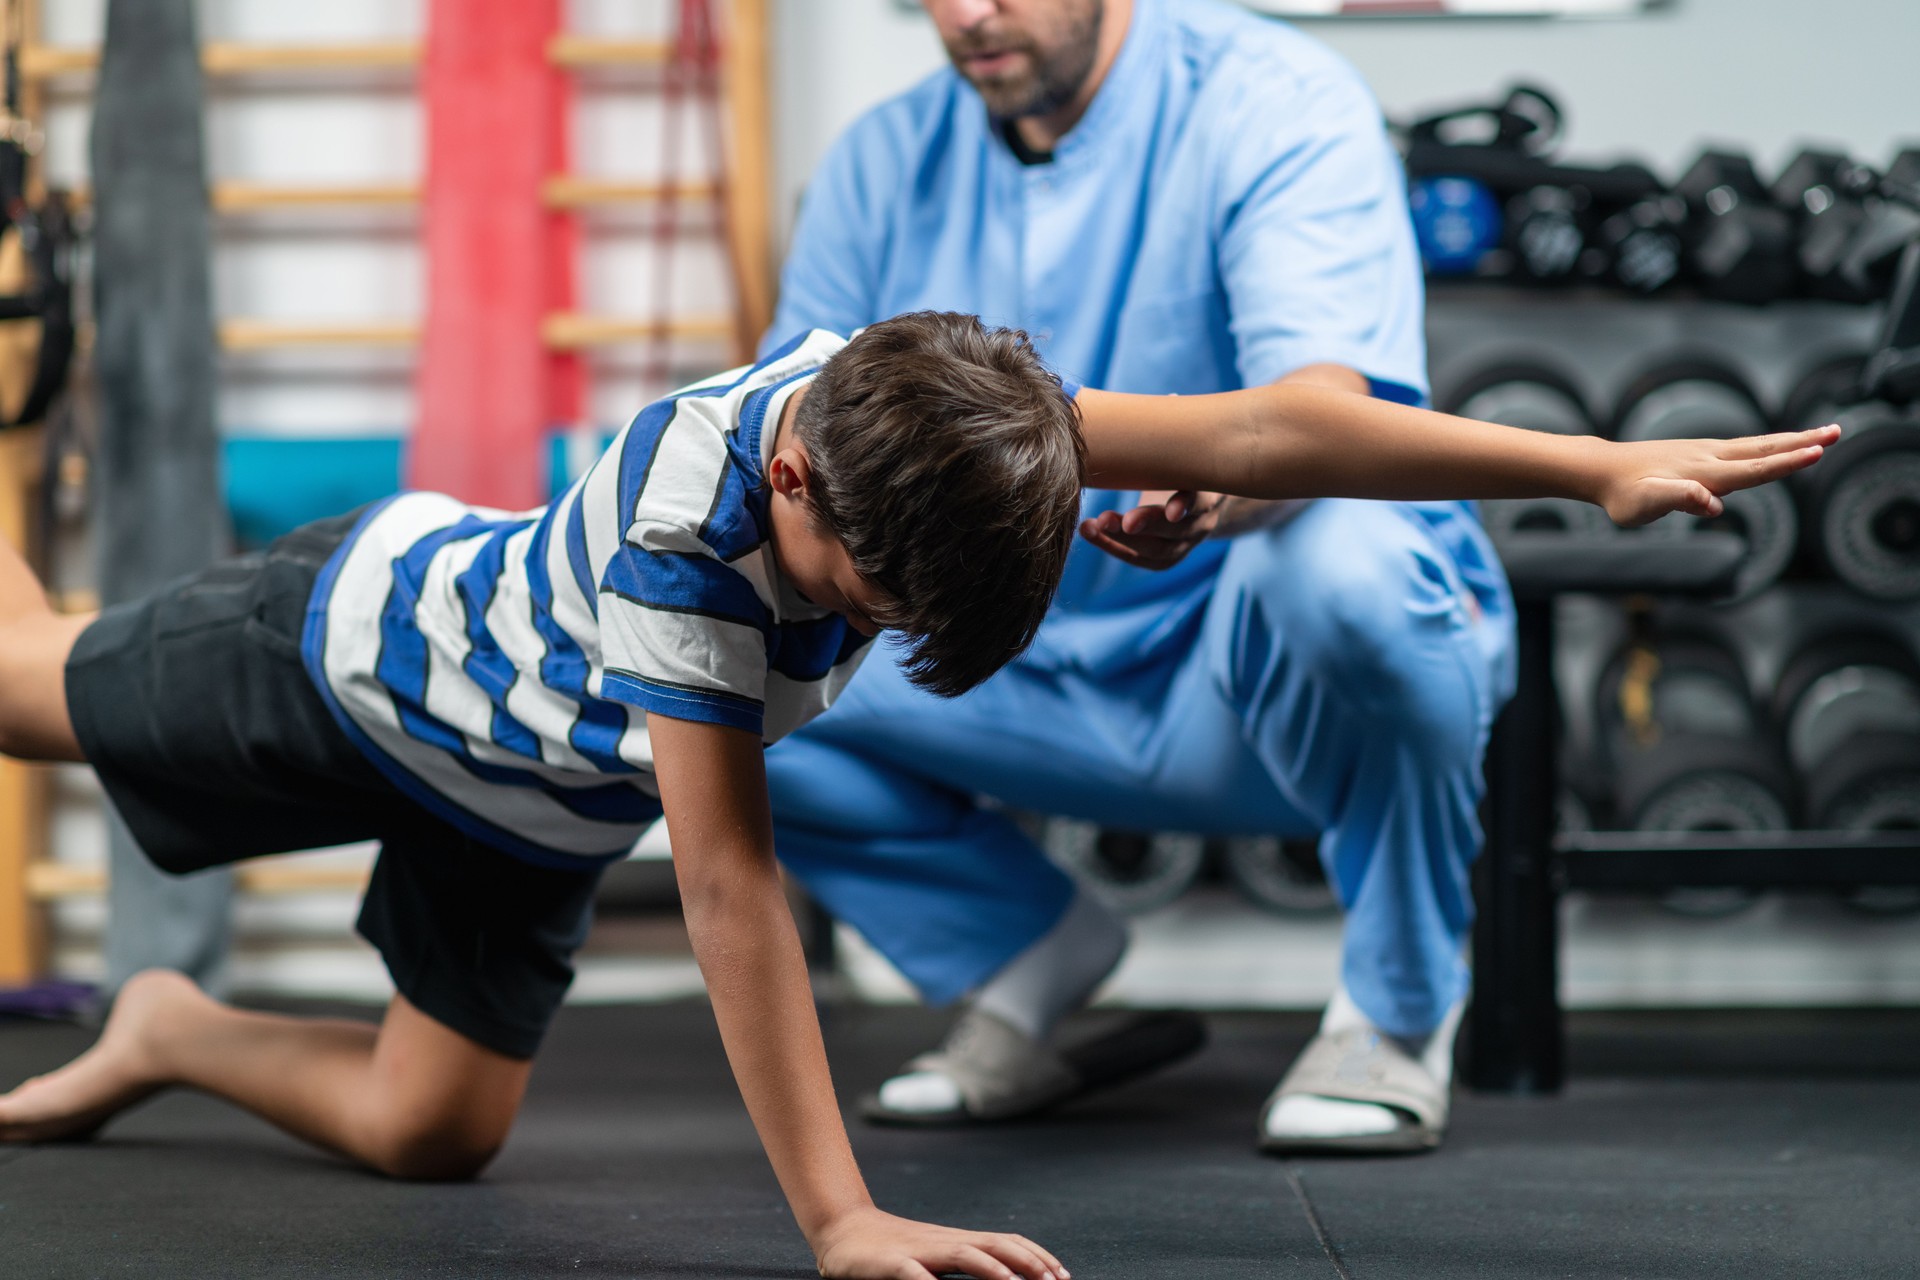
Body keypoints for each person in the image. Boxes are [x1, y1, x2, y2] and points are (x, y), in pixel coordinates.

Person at [0, 306, 1831, 1279]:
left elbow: (1269, 428)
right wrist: (842, 1221)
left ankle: (162, 1023)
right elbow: (729, 897)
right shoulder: (686, 554)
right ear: (793, 481)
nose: (865, 630)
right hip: (349, 654)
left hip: (527, 799)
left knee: (429, 1134)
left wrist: (1584, 463)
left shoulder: (952, 412)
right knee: (18, 691)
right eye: (865, 601)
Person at [762, 0, 1536, 1152]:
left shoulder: (1277, 99)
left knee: (1350, 561)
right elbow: (798, 459)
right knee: (694, 649)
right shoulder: (881, 161)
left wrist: (1224, 489)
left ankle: (1398, 1006)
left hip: (1244, 678)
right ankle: (1021, 953)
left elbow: (1323, 408)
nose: (969, 15)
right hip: (999, 664)